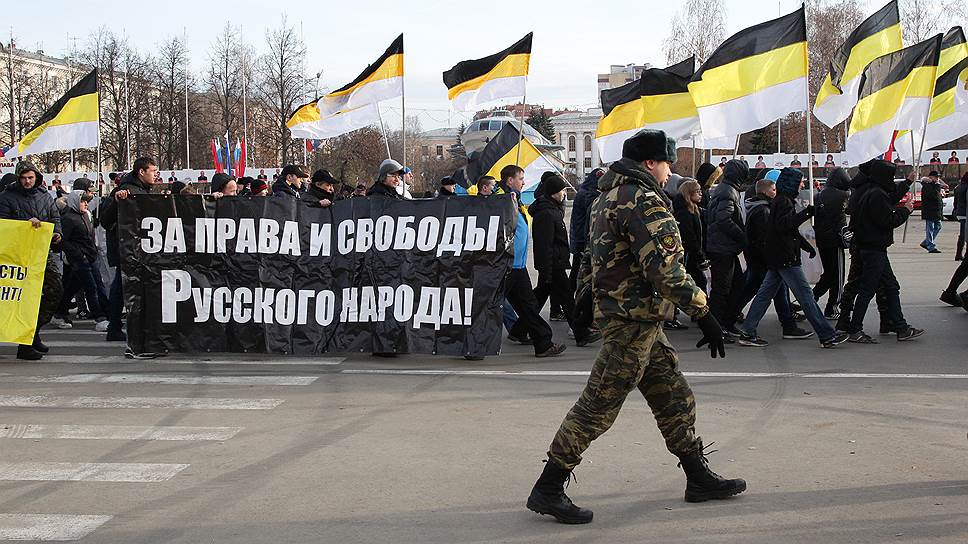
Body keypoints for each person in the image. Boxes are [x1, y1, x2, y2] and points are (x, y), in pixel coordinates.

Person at [526, 130, 740, 525]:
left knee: (674, 396)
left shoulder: (606, 196)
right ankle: (549, 487)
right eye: (666, 164)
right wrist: (703, 312)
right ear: (649, 163)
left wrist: (585, 300)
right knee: (597, 407)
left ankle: (697, 476)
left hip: (638, 320)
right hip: (631, 322)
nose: (669, 171)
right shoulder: (641, 200)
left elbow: (590, 257)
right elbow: (666, 271)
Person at [738, 169, 849, 348]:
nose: (803, 185)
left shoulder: (781, 201)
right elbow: (785, 226)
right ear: (792, 184)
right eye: (800, 182)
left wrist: (806, 246)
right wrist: (806, 213)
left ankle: (748, 331)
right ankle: (827, 335)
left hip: (778, 256)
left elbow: (787, 229)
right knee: (806, 297)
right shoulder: (783, 202)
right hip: (785, 257)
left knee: (764, 295)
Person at [844, 159, 924, 342]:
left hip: (870, 248)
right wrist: (906, 211)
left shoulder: (870, 191)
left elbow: (889, 200)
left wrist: (907, 184)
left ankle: (900, 326)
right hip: (874, 249)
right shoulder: (877, 194)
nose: (893, 179)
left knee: (890, 286)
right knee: (868, 290)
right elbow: (888, 220)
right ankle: (856, 329)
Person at [501, 164, 566, 358]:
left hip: (517, 266)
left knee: (527, 306)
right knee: (490, 305)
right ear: (510, 181)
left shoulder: (515, 200)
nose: (524, 182)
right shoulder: (503, 200)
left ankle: (540, 342)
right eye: (520, 178)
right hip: (507, 265)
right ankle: (471, 341)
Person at [0, 161, 64, 360]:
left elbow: (55, 220)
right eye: (24, 178)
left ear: (36, 177)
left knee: (55, 290)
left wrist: (57, 235)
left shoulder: (45, 196)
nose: (27, 181)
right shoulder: (6, 198)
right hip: (16, 258)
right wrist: (24, 226)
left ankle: (32, 333)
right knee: (16, 298)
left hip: (40, 254)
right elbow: (4, 226)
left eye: (31, 178)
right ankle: (24, 343)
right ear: (18, 178)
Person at [737, 174, 811, 341]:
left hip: (766, 259)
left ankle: (783, 325)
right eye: (773, 189)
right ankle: (794, 326)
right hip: (767, 259)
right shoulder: (767, 209)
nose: (775, 192)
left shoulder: (766, 206)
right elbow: (780, 230)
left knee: (766, 292)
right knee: (773, 293)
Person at [529, 173, 600, 347]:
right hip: (553, 264)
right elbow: (544, 244)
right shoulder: (546, 213)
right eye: (562, 190)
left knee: (539, 297)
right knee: (568, 300)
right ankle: (581, 333)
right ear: (553, 192)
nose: (564, 194)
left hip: (555, 262)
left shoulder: (552, 209)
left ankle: (519, 329)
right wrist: (546, 269)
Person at [98, 157, 159, 357]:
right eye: (152, 170)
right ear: (141, 172)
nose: (155, 174)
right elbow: (105, 220)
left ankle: (118, 324)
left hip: (138, 248)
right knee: (120, 285)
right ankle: (114, 325)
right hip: (126, 248)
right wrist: (117, 202)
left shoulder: (142, 190)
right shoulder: (123, 191)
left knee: (123, 285)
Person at [706, 159, 749, 338]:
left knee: (735, 286)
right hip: (722, 248)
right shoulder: (727, 191)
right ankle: (717, 326)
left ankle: (726, 322)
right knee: (722, 289)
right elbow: (724, 219)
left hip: (723, 246)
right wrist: (742, 236)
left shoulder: (726, 189)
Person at [55, 191, 109, 333]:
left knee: (73, 287)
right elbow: (63, 241)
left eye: (87, 201)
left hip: (89, 257)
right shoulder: (68, 218)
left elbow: (88, 237)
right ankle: (100, 318)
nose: (86, 204)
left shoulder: (85, 215)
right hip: (79, 259)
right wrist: (79, 255)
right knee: (91, 287)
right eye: (83, 201)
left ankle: (59, 312)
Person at [812, 167, 851, 319]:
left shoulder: (819, 195)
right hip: (835, 240)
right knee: (838, 276)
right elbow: (850, 210)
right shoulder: (844, 195)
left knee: (828, 274)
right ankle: (833, 307)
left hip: (822, 239)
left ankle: (810, 299)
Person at [569, 168, 603, 293]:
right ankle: (571, 302)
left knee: (576, 270)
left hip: (578, 238)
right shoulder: (588, 194)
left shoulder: (583, 192)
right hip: (582, 240)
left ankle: (569, 301)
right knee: (579, 272)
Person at [673, 179, 707, 292]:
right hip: (688, 255)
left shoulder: (695, 210)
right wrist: (700, 256)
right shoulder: (683, 213)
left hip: (693, 255)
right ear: (689, 193)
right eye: (697, 191)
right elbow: (690, 237)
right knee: (698, 283)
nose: (700, 193)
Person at [920, 172, 945, 253]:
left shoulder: (934, 185)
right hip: (930, 210)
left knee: (938, 226)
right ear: (930, 177)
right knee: (930, 228)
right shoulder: (927, 185)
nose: (937, 178)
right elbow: (933, 196)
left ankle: (926, 242)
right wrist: (938, 186)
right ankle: (930, 246)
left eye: (938, 177)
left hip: (936, 210)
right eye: (935, 177)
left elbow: (938, 198)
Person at [954, 172, 968, 262]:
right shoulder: (966, 188)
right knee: (964, 235)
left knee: (962, 234)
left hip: (960, 212)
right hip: (965, 212)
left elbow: (955, 201)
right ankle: (960, 254)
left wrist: (956, 210)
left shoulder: (958, 187)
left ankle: (958, 253)